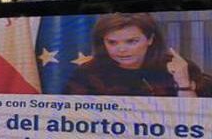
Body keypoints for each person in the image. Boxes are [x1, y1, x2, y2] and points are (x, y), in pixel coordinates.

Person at [65, 13, 212, 97]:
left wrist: (184, 84)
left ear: (150, 39)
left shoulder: (180, 68)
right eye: (112, 42)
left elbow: (198, 122)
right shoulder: (88, 73)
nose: (121, 50)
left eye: (131, 41)